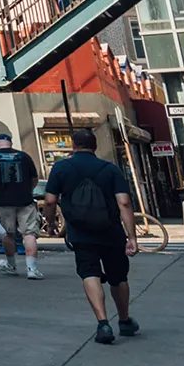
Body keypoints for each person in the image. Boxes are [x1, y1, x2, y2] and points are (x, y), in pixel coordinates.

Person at [43, 129, 139, 344]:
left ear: (73, 146)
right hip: (111, 231)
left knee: (89, 273)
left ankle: (103, 323)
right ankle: (124, 320)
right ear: (95, 147)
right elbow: (124, 202)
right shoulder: (110, 169)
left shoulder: (61, 168)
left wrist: (51, 224)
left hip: (80, 233)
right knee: (118, 276)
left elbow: (49, 201)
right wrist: (132, 236)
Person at [0, 131, 43, 279]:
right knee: (29, 234)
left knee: (8, 234)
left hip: (2, 202)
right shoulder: (24, 156)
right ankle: (32, 269)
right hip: (25, 201)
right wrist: (28, 190)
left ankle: (11, 265)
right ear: (11, 143)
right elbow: (34, 178)